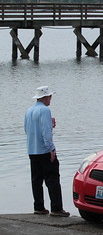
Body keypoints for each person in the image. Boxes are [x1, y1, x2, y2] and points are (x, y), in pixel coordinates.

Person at [24, 86, 70, 217]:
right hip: (44, 150)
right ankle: (56, 208)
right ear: (45, 97)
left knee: (36, 179)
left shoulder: (29, 110)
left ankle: (38, 206)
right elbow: (46, 132)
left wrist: (49, 124)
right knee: (52, 178)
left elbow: (27, 130)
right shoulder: (45, 110)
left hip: (32, 149)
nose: (51, 99)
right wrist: (51, 149)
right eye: (50, 96)